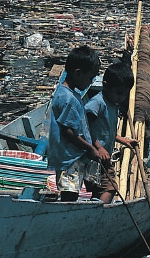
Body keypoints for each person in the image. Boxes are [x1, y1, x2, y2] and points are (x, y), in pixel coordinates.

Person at [47, 45, 100, 202]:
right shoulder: (68, 99)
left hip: (73, 155)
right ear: (78, 73)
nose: (91, 82)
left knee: (75, 188)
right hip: (69, 157)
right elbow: (68, 132)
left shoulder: (68, 94)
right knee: (69, 193)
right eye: (90, 77)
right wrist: (89, 148)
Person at [85, 61, 138, 204]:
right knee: (110, 187)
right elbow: (85, 128)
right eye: (119, 93)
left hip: (103, 157)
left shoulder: (113, 105)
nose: (121, 98)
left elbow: (107, 131)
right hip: (94, 155)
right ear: (105, 84)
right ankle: (99, 213)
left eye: (125, 94)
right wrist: (99, 147)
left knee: (99, 188)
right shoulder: (98, 103)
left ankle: (93, 208)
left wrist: (124, 141)